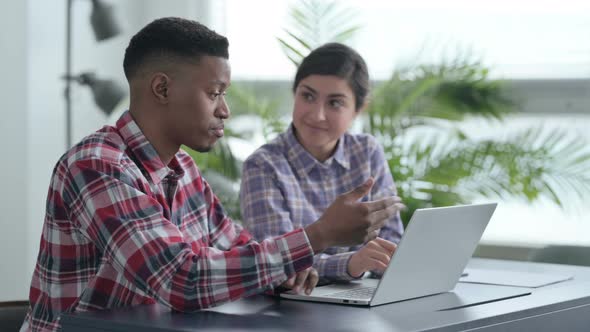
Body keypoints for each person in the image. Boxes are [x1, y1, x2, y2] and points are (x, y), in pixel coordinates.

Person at [21, 18, 402, 332]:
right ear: (162, 88)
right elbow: (182, 279)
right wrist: (321, 235)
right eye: (215, 92)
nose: (225, 111)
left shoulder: (183, 171)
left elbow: (238, 250)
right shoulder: (97, 166)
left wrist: (290, 269)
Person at [240, 43, 405, 282]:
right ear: (294, 94)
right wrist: (351, 263)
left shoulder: (367, 152)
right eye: (307, 96)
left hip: (367, 299)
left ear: (358, 110)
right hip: (294, 309)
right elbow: (275, 262)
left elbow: (392, 244)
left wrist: (373, 263)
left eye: (335, 103)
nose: (317, 115)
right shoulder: (263, 166)